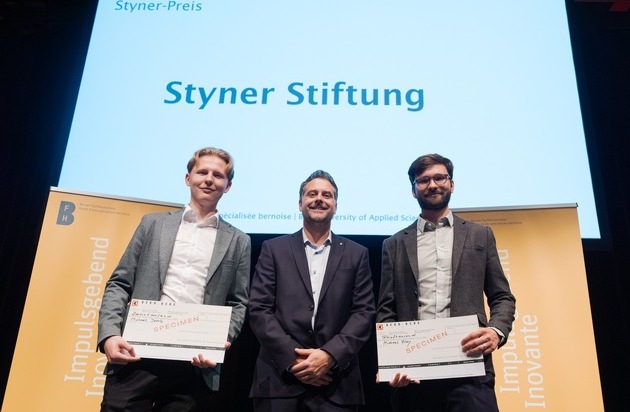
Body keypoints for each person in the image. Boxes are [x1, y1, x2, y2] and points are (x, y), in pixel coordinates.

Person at [97, 147, 251, 411]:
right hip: (135, 353)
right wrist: (109, 335)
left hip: (193, 363)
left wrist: (217, 342)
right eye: (202, 172)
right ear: (188, 178)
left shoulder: (239, 240)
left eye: (217, 175)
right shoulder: (152, 224)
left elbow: (237, 303)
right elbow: (120, 283)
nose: (209, 179)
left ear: (227, 186)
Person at [376, 154, 516, 412]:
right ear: (413, 190)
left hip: (470, 367)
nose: (432, 185)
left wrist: (496, 331)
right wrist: (392, 362)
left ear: (452, 184)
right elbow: (386, 309)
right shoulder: (393, 244)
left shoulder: (480, 234)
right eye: (423, 180)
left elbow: (502, 297)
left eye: (440, 178)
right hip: (414, 374)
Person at [248, 170, 375, 412]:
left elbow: (364, 313)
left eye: (327, 195)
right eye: (312, 194)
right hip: (279, 381)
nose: (319, 199)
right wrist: (295, 359)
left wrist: (329, 356)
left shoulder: (357, 253)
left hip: (337, 384)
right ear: (300, 203)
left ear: (335, 206)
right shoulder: (273, 249)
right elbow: (259, 309)